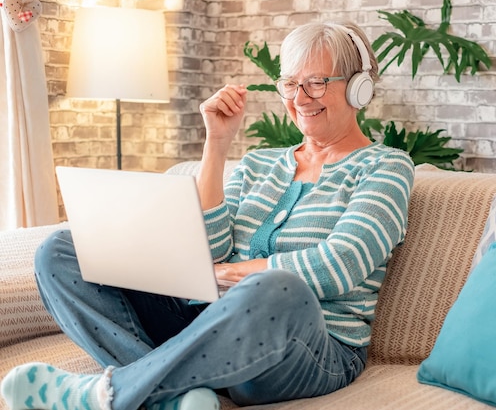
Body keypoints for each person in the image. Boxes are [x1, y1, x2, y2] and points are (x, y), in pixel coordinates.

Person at [1, 20, 414, 410]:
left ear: (359, 88)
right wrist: (216, 145)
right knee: (60, 250)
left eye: (317, 83)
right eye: (290, 83)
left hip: (312, 349)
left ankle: (112, 393)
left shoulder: (386, 167)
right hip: (204, 321)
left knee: (277, 288)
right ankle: (177, 396)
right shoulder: (256, 164)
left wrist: (231, 274)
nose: (300, 98)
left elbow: (339, 265)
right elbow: (207, 249)